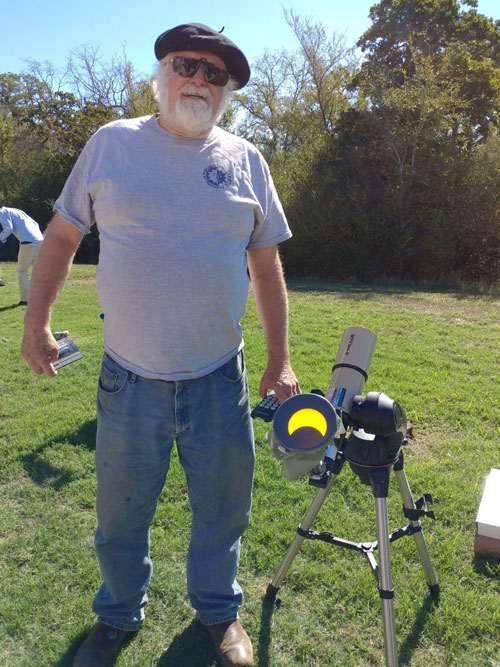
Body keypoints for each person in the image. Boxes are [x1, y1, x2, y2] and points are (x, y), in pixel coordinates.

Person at [21, 23, 300, 667]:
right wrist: (37, 324)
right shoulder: (111, 144)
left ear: (226, 91)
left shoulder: (246, 159)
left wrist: (280, 360)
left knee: (222, 511)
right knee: (121, 517)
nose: (200, 81)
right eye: (188, 65)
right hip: (129, 380)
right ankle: (117, 616)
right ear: (161, 72)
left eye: (215, 74)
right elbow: (61, 238)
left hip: (218, 378)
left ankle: (219, 615)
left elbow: (267, 268)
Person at [0, 206, 43, 304]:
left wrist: (1, 238)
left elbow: (8, 228)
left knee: (22, 271)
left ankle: (25, 300)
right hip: (39, 239)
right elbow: (35, 224)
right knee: (37, 270)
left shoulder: (2, 213)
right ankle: (41, 298)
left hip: (29, 242)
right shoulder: (15, 210)